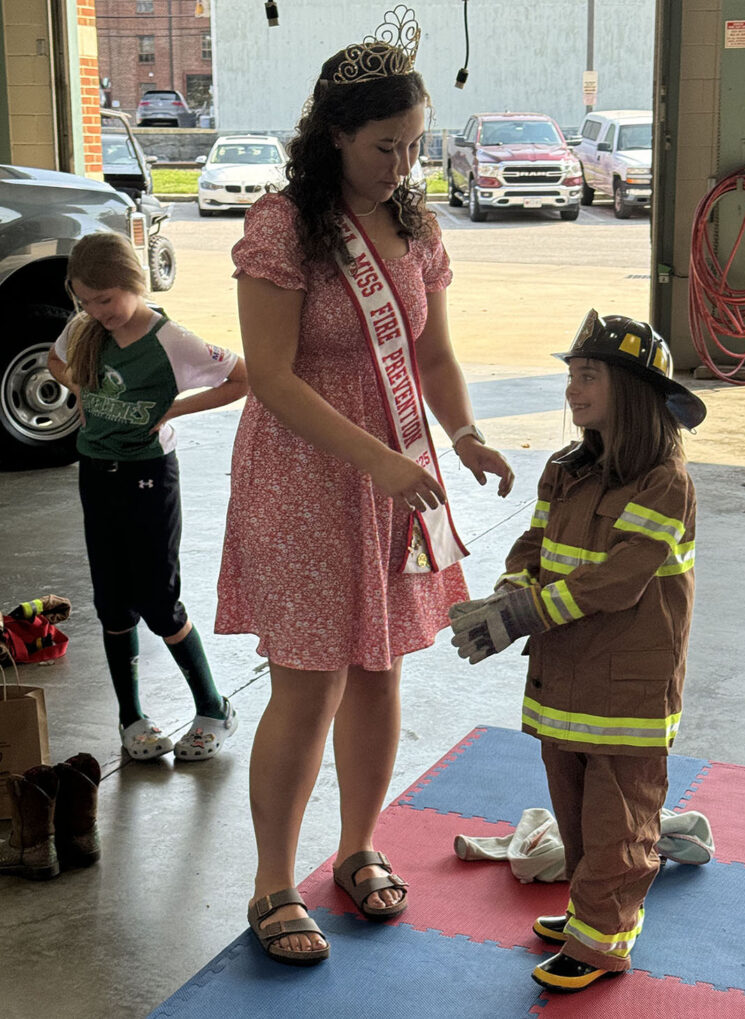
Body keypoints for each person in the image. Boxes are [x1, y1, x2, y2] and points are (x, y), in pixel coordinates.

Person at [215, 7, 514, 967]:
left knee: (381, 670)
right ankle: (271, 881)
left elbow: (433, 352)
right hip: (306, 478)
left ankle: (357, 847)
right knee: (310, 680)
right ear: (335, 135)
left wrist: (460, 434)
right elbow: (271, 376)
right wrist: (384, 458)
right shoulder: (281, 227)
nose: (402, 164)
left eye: (416, 145)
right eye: (386, 145)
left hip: (394, 480)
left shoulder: (413, 222)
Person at [450, 310, 707, 992]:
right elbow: (532, 548)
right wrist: (508, 589)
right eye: (570, 374)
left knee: (619, 818)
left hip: (629, 689)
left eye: (587, 375)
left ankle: (602, 941)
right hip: (563, 678)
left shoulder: (665, 483)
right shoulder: (565, 470)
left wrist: (525, 612)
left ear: (631, 388)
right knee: (575, 810)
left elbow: (621, 580)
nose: (571, 389)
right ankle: (591, 911)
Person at [48, 232, 248, 763]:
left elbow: (242, 377)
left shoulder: (171, 340)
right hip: (97, 476)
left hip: (148, 478)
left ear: (132, 284)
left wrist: (174, 410)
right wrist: (82, 391)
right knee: (112, 603)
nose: (96, 311)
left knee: (159, 603)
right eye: (85, 301)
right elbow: (55, 361)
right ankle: (130, 718)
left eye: (106, 300)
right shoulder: (84, 329)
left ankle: (213, 708)